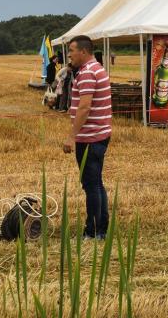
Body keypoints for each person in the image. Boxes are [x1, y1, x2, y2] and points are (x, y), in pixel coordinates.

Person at [62, 35, 112, 240]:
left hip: (90, 138)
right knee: (96, 183)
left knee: (91, 185)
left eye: (72, 51)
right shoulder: (95, 68)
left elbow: (84, 107)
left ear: (83, 51)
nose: (69, 55)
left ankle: (93, 232)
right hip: (98, 135)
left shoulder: (88, 73)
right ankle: (101, 228)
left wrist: (71, 137)